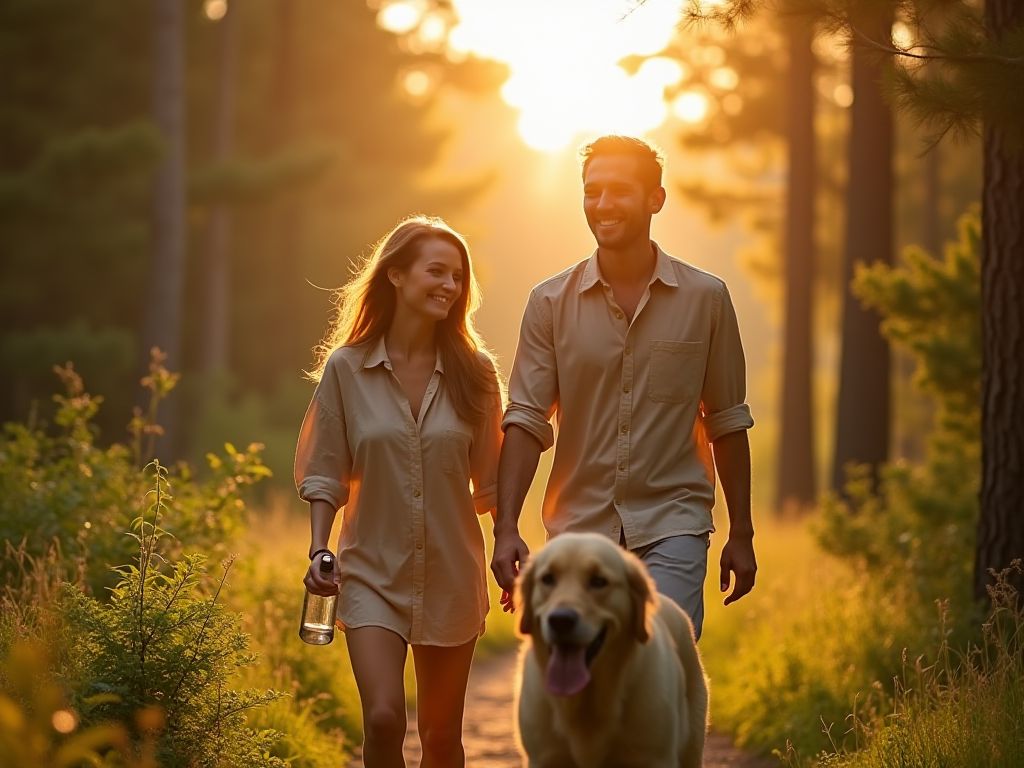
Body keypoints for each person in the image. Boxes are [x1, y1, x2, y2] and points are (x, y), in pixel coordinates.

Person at [490, 135, 756, 640]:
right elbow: (525, 420)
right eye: (592, 192)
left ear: (655, 198)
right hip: (577, 528)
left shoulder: (707, 299)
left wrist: (741, 530)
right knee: (586, 674)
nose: (603, 205)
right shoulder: (549, 303)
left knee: (662, 656)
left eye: (619, 191)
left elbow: (727, 421)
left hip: (673, 521)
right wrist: (506, 529)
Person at [295, 215, 503, 768]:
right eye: (437, 272)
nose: (450, 287)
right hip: (370, 575)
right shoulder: (347, 369)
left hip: (452, 577)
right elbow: (324, 470)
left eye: (458, 277)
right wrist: (320, 548)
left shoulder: (476, 374)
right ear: (395, 276)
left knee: (440, 738)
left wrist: (509, 545)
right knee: (384, 717)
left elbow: (494, 483)